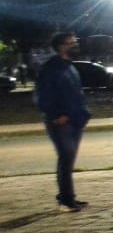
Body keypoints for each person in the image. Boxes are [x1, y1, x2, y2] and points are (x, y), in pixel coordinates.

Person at [35, 31, 91, 212]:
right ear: (62, 46)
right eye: (72, 43)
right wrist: (56, 115)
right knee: (65, 159)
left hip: (75, 120)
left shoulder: (69, 66)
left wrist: (83, 114)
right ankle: (65, 200)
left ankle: (68, 197)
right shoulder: (51, 68)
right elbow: (43, 95)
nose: (76, 45)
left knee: (69, 160)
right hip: (61, 122)